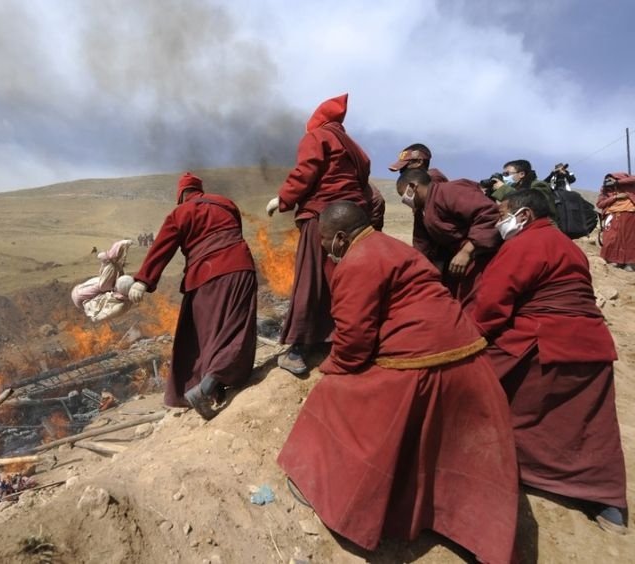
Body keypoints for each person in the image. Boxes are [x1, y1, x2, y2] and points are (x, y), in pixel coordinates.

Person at [278, 201, 519, 564]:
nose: (325, 249)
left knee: (331, 394)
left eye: (326, 242)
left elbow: (354, 343)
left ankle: (331, 492)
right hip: (468, 355)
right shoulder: (395, 247)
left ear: (341, 238)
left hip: (419, 364)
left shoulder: (356, 262)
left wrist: (332, 368)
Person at [466, 189, 628, 534]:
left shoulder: (523, 245)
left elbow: (493, 304)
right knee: (590, 424)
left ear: (523, 216)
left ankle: (504, 467)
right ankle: (607, 500)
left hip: (545, 344)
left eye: (502, 214)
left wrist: (467, 337)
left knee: (482, 386)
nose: (498, 222)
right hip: (594, 345)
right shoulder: (567, 245)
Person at [128, 172, 257, 419]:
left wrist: (143, 280)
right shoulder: (226, 203)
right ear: (200, 189)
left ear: (180, 195)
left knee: (204, 336)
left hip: (203, 277)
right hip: (239, 267)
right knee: (235, 329)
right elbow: (236, 232)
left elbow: (161, 249)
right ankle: (212, 386)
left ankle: (204, 387)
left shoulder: (180, 213)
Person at [266, 93, 375, 375]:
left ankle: (299, 348)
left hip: (322, 217)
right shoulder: (356, 148)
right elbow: (362, 184)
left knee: (310, 278)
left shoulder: (317, 137)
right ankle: (342, 337)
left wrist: (284, 199)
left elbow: (306, 170)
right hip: (352, 221)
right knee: (341, 278)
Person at [395, 168, 501, 302]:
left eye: (403, 195)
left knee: (478, 303)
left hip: (481, 256)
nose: (405, 200)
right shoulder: (421, 212)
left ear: (412, 187)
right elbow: (422, 246)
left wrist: (466, 251)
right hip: (455, 262)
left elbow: (489, 215)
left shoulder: (450, 191)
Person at [489, 159, 558, 221]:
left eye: (507, 174)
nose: (504, 177)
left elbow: (532, 203)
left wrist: (502, 188)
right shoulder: (514, 189)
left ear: (521, 174)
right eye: (503, 175)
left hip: (543, 227)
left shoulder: (539, 185)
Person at [597, 172, 635, 272]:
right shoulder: (605, 189)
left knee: (628, 239)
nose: (609, 181)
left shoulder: (629, 186)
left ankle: (630, 262)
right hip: (611, 215)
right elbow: (600, 204)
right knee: (611, 238)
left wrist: (618, 182)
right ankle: (615, 260)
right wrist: (615, 197)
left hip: (629, 212)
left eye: (612, 178)